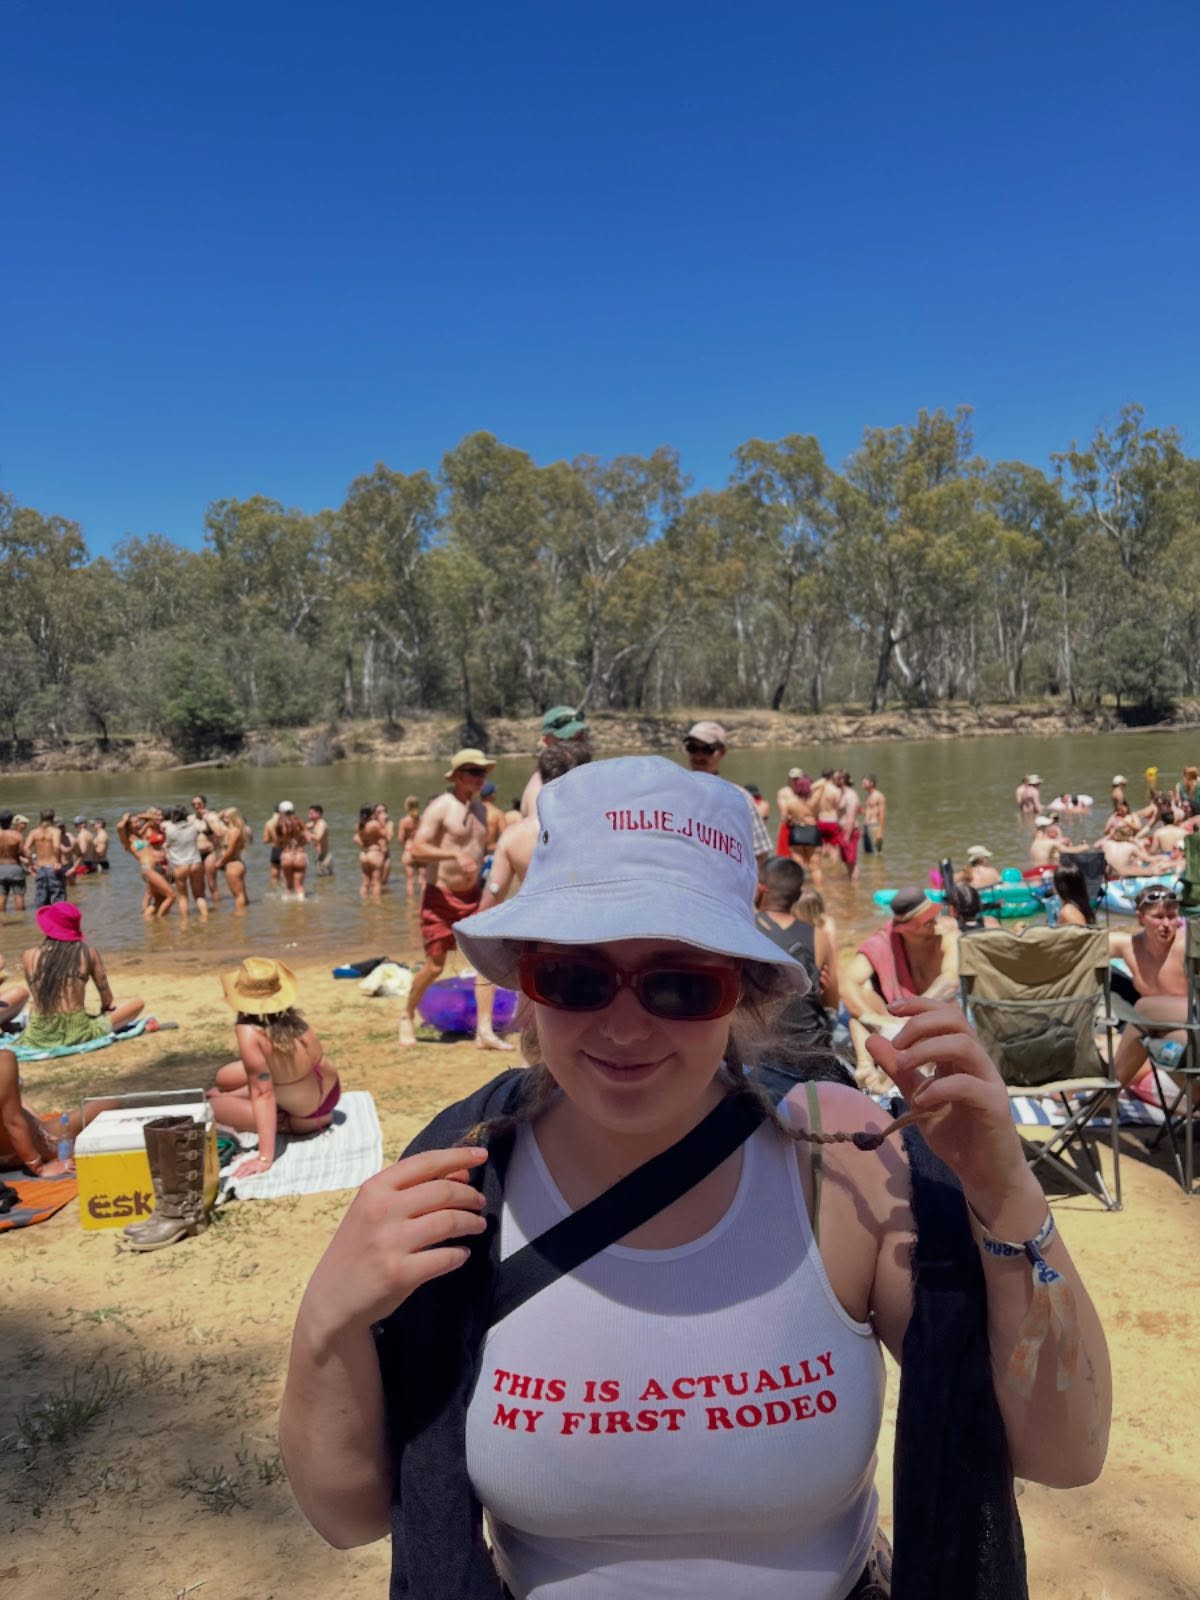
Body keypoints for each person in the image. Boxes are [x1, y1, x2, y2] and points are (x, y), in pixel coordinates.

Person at [280, 755, 1110, 1598]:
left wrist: (1006, 1192)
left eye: (679, 984)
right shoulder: (462, 1184)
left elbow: (1063, 1451)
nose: (626, 1028)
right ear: (528, 985)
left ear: (744, 992)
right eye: (577, 977)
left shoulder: (838, 1162)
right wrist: (327, 1322)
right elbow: (351, 1517)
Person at [472, 742, 595, 1051]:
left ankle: (484, 1029)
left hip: (537, 941)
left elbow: (491, 900)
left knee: (535, 1034)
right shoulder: (602, 829)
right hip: (588, 942)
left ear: (541, 776)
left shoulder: (516, 835)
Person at [208, 959, 342, 1181]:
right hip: (327, 1095)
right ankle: (233, 1097)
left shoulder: (249, 1031)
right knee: (225, 1078)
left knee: (212, 1106)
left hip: (306, 1118)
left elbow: (264, 1093)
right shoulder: (295, 1020)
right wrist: (233, 1094)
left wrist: (264, 1158)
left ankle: (281, 1122)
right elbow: (282, 1078)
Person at [400, 750, 492, 1047]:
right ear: (456, 776)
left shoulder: (481, 811)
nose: (480, 778)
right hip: (440, 896)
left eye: (483, 773)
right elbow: (416, 849)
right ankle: (406, 1016)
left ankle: (484, 1029)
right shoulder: (441, 807)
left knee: (485, 960)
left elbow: (483, 849)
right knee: (435, 966)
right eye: (473, 772)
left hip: (473, 895)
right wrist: (453, 853)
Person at [842, 887, 959, 1090]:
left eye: (934, 914)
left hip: (930, 1014)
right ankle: (865, 1068)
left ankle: (887, 1081)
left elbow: (950, 980)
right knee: (860, 1008)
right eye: (926, 919)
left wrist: (912, 1009)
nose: (934, 921)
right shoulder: (884, 941)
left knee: (928, 1027)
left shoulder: (947, 935)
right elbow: (847, 982)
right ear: (903, 928)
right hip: (896, 1019)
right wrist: (872, 1016)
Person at [752, 857, 839, 1076]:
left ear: (761, 888)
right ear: (799, 896)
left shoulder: (743, 929)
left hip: (757, 1055)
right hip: (811, 1052)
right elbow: (832, 1002)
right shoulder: (818, 935)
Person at [20, 903, 143, 1051]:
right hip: (77, 1030)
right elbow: (107, 997)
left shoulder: (29, 956)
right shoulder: (87, 953)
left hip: (39, 1031)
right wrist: (105, 1009)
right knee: (137, 1003)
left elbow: (37, 994)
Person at [1109, 886, 1191, 1098]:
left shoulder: (1186, 944)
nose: (1166, 924)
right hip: (1174, 1035)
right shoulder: (1130, 946)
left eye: (1172, 916)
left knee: (1142, 1009)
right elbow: (1079, 943)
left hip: (1194, 1021)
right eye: (1158, 917)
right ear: (1140, 918)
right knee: (1148, 1041)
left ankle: (1104, 1097)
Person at [683, 721, 772, 871]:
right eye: (692, 748)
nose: (698, 756)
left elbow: (759, 853)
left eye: (707, 749)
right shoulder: (672, 791)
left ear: (723, 752)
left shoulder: (740, 798)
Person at [521, 705, 592, 818]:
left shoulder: (583, 777)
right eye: (568, 740)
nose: (578, 748)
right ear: (547, 741)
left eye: (580, 738)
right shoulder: (540, 791)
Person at [117, 811, 176, 918]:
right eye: (135, 822)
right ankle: (161, 921)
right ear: (128, 826)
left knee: (160, 900)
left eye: (138, 821)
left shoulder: (139, 835)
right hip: (147, 869)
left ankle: (150, 924)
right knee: (171, 896)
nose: (138, 823)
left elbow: (153, 819)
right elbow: (120, 826)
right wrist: (126, 818)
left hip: (156, 868)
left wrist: (138, 816)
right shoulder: (127, 840)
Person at [775, 770, 822, 890]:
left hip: (797, 833)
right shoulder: (815, 801)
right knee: (815, 868)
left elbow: (784, 819)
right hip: (812, 832)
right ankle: (820, 892)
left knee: (799, 866)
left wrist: (793, 818)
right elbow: (823, 783)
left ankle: (799, 892)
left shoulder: (791, 802)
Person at [164, 805, 208, 922]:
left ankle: (184, 924)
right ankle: (205, 920)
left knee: (183, 897)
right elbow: (203, 827)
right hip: (195, 863)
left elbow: (167, 843)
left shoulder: (169, 829)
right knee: (199, 895)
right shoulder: (194, 827)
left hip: (180, 865)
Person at [26, 810, 70, 908]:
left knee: (41, 898)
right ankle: (59, 921)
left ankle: (43, 921)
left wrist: (30, 864)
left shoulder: (33, 832)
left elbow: (26, 848)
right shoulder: (55, 831)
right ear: (53, 818)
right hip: (53, 867)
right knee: (58, 896)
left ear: (40, 818)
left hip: (40, 867)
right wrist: (58, 862)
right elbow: (56, 847)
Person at [192, 795, 226, 903]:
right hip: (195, 853)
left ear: (204, 804)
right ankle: (204, 910)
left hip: (209, 852)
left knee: (212, 883)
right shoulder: (190, 818)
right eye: (194, 804)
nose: (197, 806)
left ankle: (217, 909)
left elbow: (219, 833)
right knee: (198, 884)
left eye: (199, 803)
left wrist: (208, 819)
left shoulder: (211, 817)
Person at [216, 808, 251, 908]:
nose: (223, 819)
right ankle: (246, 915)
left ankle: (238, 920)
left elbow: (230, 850)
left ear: (232, 818)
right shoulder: (238, 830)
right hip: (238, 864)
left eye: (226, 817)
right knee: (242, 894)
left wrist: (220, 862)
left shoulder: (234, 831)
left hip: (233, 865)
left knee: (238, 895)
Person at [277, 801, 309, 898]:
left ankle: (285, 911)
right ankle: (301, 907)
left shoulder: (279, 824)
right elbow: (308, 839)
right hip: (299, 855)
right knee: (299, 886)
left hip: (287, 855)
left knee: (289, 887)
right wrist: (301, 843)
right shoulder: (299, 821)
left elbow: (278, 843)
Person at [354, 805, 387, 900]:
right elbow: (384, 835)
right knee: (376, 882)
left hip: (364, 854)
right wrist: (383, 822)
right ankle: (376, 906)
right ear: (371, 814)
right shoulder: (374, 824)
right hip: (374, 853)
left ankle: (364, 904)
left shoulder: (358, 825)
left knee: (365, 882)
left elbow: (357, 838)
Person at [0, 810, 29, 912]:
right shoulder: (17, 835)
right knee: (19, 896)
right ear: (12, 821)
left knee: (1, 897)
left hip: (0, 869)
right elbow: (24, 854)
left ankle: (1, 922)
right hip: (15, 868)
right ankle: (21, 921)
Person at [835, 771, 862, 880]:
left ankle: (854, 888)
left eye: (835, 778)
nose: (833, 780)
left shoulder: (850, 795)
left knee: (852, 862)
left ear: (842, 780)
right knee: (846, 862)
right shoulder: (840, 794)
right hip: (842, 831)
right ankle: (851, 887)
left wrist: (847, 835)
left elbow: (851, 817)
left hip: (850, 831)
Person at [1052, 862, 1095, 927]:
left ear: (1060, 886)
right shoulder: (1081, 907)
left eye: (1053, 881)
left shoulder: (1068, 911)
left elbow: (1083, 934)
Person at [397, 795, 421, 895]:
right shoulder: (423, 819)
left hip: (409, 850)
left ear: (406, 806)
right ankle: (422, 903)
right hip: (421, 850)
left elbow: (400, 839)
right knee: (423, 880)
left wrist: (405, 845)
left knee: (410, 881)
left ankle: (410, 906)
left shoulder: (404, 821)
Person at [861, 774, 886, 855]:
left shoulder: (879, 796)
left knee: (876, 854)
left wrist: (880, 831)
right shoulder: (868, 795)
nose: (863, 784)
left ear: (871, 783)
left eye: (865, 782)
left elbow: (882, 814)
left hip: (874, 827)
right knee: (867, 853)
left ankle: (877, 867)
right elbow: (869, 812)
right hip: (866, 827)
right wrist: (861, 811)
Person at [308, 804, 332, 876]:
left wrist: (307, 834)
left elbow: (318, 837)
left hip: (324, 856)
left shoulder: (322, 824)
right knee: (322, 880)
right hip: (319, 855)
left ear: (318, 813)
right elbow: (303, 827)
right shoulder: (314, 823)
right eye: (309, 813)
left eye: (311, 813)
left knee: (325, 879)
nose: (309, 815)